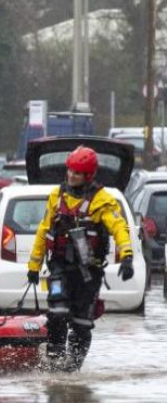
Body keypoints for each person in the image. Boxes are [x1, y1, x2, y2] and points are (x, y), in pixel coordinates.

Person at [26, 145, 134, 372]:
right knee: (57, 312)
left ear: (88, 175)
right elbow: (43, 230)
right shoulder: (57, 196)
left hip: (88, 273)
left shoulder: (102, 200)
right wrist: (34, 266)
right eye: (70, 171)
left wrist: (127, 256)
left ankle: (71, 370)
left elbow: (119, 227)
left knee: (82, 325)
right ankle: (54, 362)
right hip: (59, 266)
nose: (71, 175)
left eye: (77, 172)